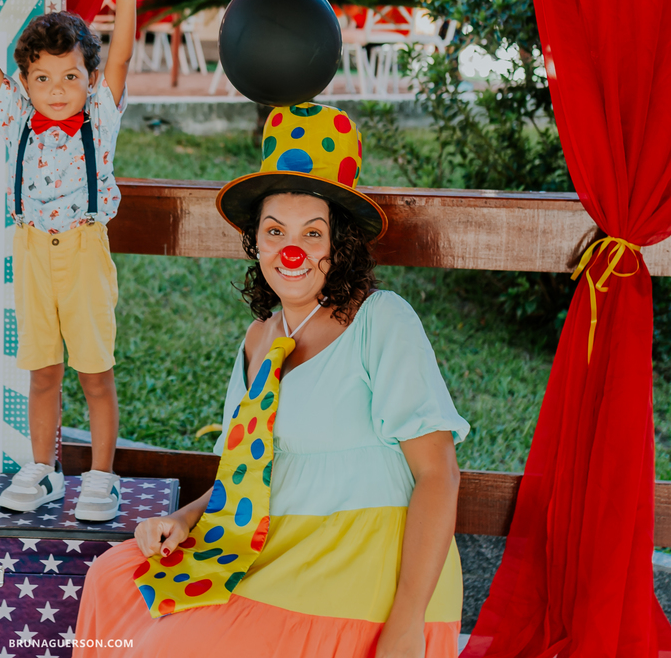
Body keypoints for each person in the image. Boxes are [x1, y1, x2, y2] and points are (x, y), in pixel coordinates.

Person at [74, 104, 470, 655]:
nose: (293, 250)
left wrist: (407, 622)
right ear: (256, 242)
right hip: (277, 545)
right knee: (113, 580)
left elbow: (439, 475)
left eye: (313, 233)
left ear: (340, 244)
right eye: (275, 230)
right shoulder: (259, 338)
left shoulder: (382, 320)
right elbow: (249, 473)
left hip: (362, 565)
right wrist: (186, 519)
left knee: (170, 648)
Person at [0, 0, 136, 521]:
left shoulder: (100, 117)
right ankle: (43, 471)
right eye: (44, 79)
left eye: (71, 76)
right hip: (30, 252)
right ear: (25, 82)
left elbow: (121, 55)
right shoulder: (15, 117)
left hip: (83, 251)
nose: (58, 90)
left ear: (90, 80)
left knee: (95, 372)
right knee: (42, 370)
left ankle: (101, 478)